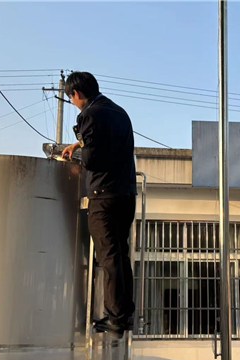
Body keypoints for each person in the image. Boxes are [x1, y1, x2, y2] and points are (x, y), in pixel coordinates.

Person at [62, 71, 136, 337]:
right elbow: (105, 140)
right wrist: (78, 143)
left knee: (109, 256)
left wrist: (79, 152)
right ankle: (124, 315)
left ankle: (115, 319)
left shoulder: (89, 115)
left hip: (103, 196)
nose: (73, 102)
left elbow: (92, 159)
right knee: (120, 254)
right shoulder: (119, 112)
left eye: (71, 98)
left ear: (77, 94)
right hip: (126, 194)